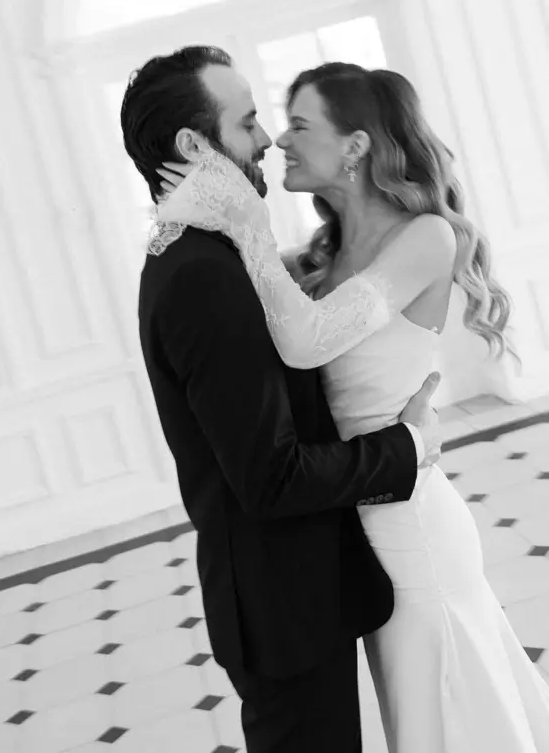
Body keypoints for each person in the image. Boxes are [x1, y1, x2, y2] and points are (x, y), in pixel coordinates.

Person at [156, 59, 549, 753]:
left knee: (450, 716)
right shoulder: (322, 256)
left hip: (410, 526)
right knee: (417, 720)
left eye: (299, 125)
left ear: (355, 146)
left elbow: (305, 343)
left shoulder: (425, 236)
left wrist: (248, 224)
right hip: (356, 522)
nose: (278, 140)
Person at [120, 46, 441, 753]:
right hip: (281, 603)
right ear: (194, 146)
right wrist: (407, 445)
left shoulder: (212, 253)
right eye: (248, 122)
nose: (267, 138)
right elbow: (272, 479)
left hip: (307, 587)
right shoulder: (201, 272)